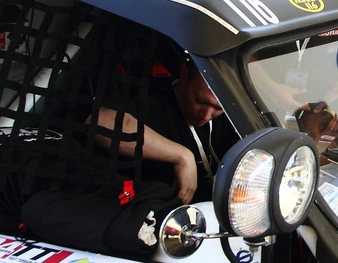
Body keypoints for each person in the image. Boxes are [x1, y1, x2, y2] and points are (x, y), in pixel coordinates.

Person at [91, 58, 236, 204]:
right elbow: (100, 120)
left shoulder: (233, 113)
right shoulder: (152, 107)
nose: (206, 115)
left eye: (218, 108)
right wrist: (182, 156)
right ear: (184, 74)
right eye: (200, 101)